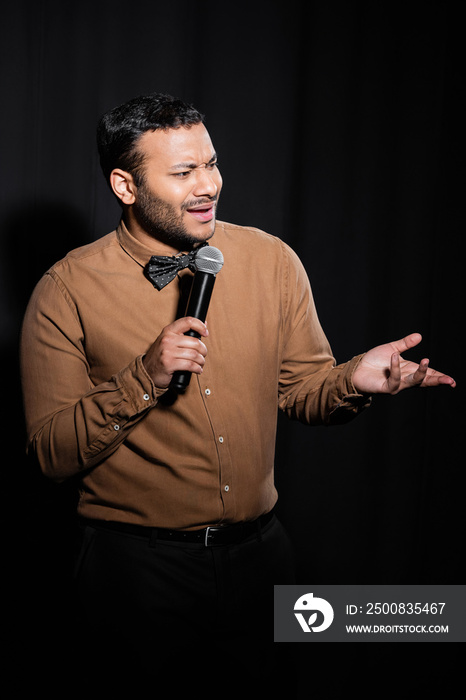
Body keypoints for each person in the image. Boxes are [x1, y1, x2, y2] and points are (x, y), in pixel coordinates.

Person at [20, 93, 455, 680]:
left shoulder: (271, 260)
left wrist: (352, 379)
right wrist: (142, 379)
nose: (208, 185)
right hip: (136, 574)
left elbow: (302, 389)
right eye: (182, 172)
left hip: (263, 560)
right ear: (125, 185)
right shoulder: (66, 289)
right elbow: (50, 457)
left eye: (211, 163)